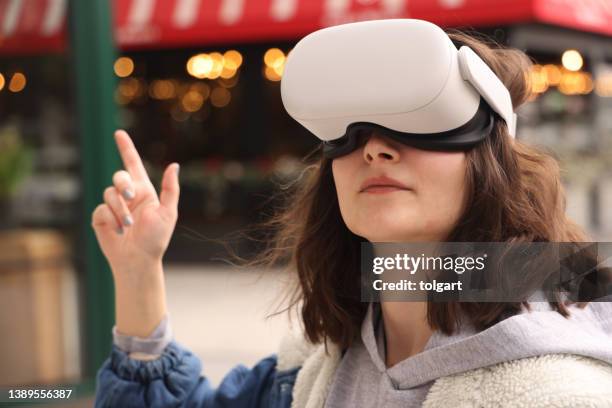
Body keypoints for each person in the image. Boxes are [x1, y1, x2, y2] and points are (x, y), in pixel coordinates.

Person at [92, 22, 612, 408]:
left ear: (491, 158)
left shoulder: (559, 393)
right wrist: (138, 272)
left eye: (424, 122)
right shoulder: (315, 365)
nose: (375, 150)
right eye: (350, 129)